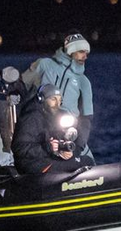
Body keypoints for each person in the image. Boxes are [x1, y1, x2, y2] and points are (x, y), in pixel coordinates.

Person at [21, 33, 95, 163]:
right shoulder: (44, 65)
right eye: (81, 51)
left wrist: (76, 149)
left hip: (69, 135)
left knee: (90, 163)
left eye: (87, 52)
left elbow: (86, 119)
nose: (85, 56)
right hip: (41, 132)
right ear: (71, 50)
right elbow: (21, 85)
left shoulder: (84, 82)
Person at [12, 84, 85, 175]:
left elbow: (77, 137)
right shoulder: (30, 118)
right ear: (42, 99)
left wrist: (66, 152)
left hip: (49, 159)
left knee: (86, 161)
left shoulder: (59, 116)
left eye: (59, 100)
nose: (57, 104)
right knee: (80, 165)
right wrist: (47, 148)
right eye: (53, 99)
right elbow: (18, 148)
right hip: (32, 164)